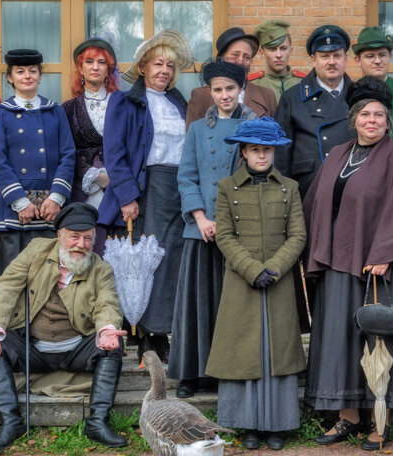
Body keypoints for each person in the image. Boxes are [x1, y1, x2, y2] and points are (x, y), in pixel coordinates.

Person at [303, 77, 393, 450]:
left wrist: (384, 253)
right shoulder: (336, 155)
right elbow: (316, 204)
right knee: (340, 339)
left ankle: (380, 422)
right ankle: (346, 416)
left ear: (388, 121)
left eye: (379, 114)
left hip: (383, 268)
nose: (373, 120)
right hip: (338, 262)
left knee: (379, 341)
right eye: (365, 114)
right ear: (353, 119)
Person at [0, 202, 128, 450]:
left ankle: (97, 422)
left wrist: (107, 330)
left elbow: (107, 304)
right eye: (74, 237)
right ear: (59, 236)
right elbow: (5, 287)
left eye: (88, 238)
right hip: (33, 349)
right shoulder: (36, 251)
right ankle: (11, 422)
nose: (81, 244)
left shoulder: (100, 269)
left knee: (113, 345)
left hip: (75, 350)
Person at [204, 117, 307, 451]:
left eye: (267, 150)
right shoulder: (226, 188)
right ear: (243, 152)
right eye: (255, 150)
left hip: (278, 282)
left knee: (277, 352)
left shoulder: (288, 188)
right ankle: (248, 425)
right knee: (244, 351)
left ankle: (278, 425)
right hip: (242, 282)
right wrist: (251, 269)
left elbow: (298, 235)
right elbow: (225, 236)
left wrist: (275, 269)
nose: (261, 156)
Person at [99, 29, 193, 359]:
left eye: (169, 65)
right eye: (157, 63)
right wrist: (126, 196)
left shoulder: (180, 103)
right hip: (144, 188)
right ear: (143, 67)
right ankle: (143, 334)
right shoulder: (124, 102)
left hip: (178, 189)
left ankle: (164, 330)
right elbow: (114, 151)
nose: (164, 70)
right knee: (144, 260)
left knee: (172, 261)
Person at [171, 60, 254, 396]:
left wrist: (228, 223)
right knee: (198, 303)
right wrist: (202, 217)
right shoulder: (196, 130)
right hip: (201, 231)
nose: (224, 95)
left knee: (230, 304)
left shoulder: (254, 126)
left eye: (230, 89)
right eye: (218, 90)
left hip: (238, 230)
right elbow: (186, 176)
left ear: (240, 90)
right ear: (210, 92)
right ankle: (191, 374)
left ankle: (228, 372)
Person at [0, 48, 76, 283]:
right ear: (10, 77)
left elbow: (68, 155)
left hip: (49, 209)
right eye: (20, 71)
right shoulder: (0, 113)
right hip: (15, 209)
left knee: (49, 279)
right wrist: (21, 202)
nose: (27, 76)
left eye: (33, 71)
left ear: (39, 75)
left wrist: (56, 199)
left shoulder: (54, 110)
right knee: (11, 280)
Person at [274, 24, 355, 196]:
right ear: (313, 59)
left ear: (345, 58)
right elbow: (281, 155)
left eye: (337, 55)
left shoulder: (360, 96)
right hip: (307, 192)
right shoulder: (292, 98)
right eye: (324, 56)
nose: (331, 62)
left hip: (352, 191)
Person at [62, 38, 119, 214]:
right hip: (81, 189)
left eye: (101, 62)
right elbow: (66, 151)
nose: (95, 67)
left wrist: (113, 178)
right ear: (80, 68)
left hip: (118, 187)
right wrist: (94, 175)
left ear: (108, 70)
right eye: (89, 62)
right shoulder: (68, 108)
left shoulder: (122, 104)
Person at [185, 27, 278, 122]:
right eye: (235, 55)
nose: (241, 61)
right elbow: (193, 134)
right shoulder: (201, 96)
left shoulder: (267, 96)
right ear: (222, 58)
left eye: (246, 57)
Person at [248, 19, 305, 98]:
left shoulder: (303, 83)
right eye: (272, 49)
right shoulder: (252, 85)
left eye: (283, 48)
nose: (278, 55)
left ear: (290, 50)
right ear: (262, 52)